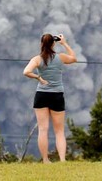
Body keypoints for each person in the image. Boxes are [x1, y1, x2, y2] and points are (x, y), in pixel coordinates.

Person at [23, 33, 77, 162]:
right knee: (59, 131)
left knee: (43, 129)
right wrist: (64, 43)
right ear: (53, 43)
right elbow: (74, 58)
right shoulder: (60, 58)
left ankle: (46, 160)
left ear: (41, 44)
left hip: (41, 95)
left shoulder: (37, 59)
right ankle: (62, 160)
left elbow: (26, 72)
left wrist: (38, 77)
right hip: (57, 95)